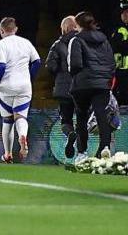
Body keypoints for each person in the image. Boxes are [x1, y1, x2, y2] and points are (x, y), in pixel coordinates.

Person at [68, 11, 119, 159]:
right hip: (102, 84)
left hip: (82, 84)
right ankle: (105, 147)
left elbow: (75, 64)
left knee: (81, 117)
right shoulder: (104, 40)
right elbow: (112, 63)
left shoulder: (76, 40)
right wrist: (106, 78)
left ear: (78, 25)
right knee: (102, 115)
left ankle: (82, 152)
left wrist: (76, 76)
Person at [0, 17, 40, 162]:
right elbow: (37, 62)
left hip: (6, 86)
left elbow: (1, 66)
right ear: (16, 29)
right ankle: (23, 135)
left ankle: (7, 154)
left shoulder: (0, 45)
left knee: (7, 120)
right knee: (21, 116)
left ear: (1, 30)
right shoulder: (26, 42)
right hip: (24, 86)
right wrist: (29, 77)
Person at [46, 16, 83, 159]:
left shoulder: (58, 44)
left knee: (66, 120)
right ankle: (82, 152)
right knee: (82, 119)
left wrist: (60, 74)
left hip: (63, 89)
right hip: (81, 87)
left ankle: (70, 133)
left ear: (63, 28)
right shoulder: (84, 42)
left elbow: (50, 65)